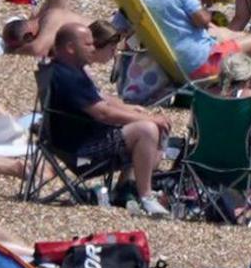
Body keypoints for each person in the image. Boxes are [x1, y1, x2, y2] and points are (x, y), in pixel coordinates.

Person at [36, 24, 164, 212]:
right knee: (146, 130)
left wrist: (137, 113)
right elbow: (102, 113)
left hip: (70, 142)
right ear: (71, 48)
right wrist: (149, 120)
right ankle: (145, 196)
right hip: (83, 151)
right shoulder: (69, 77)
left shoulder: (64, 69)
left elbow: (100, 100)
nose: (93, 48)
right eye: (88, 44)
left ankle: (125, 188)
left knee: (143, 123)